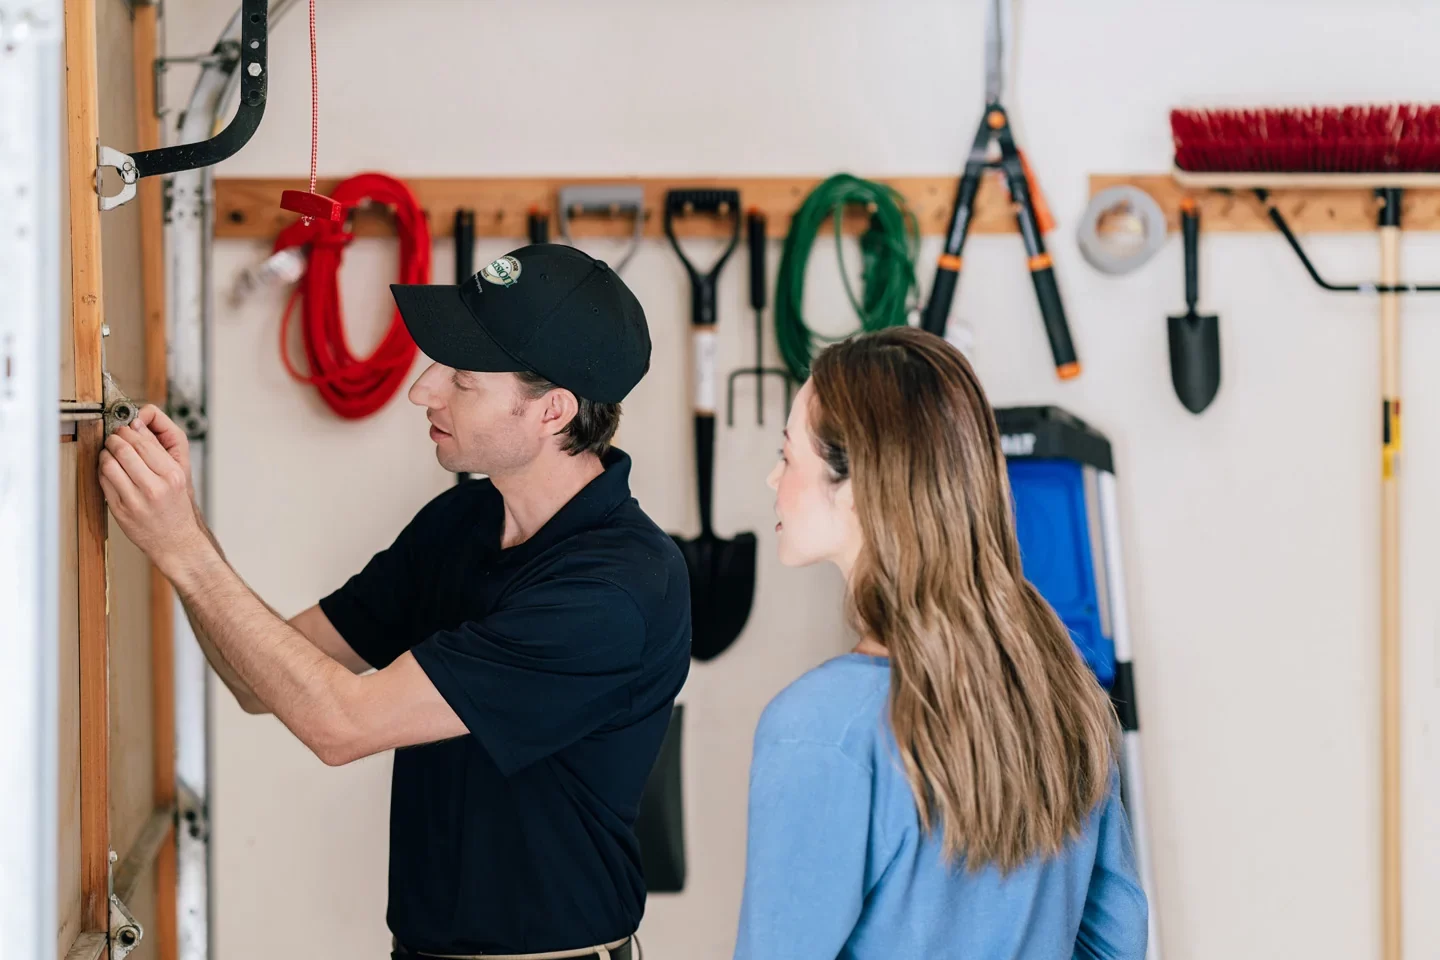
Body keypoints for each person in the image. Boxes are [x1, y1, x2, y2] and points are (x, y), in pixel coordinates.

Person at [100, 244, 690, 960]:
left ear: (552, 411)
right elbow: (259, 683)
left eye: (463, 379)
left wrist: (182, 551)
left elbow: (339, 725)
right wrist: (181, 521)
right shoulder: (460, 524)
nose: (423, 389)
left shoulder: (614, 591)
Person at [735, 327, 1148, 960]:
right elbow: (1115, 942)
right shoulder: (1065, 692)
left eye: (789, 456)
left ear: (857, 485)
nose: (773, 479)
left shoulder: (821, 727)